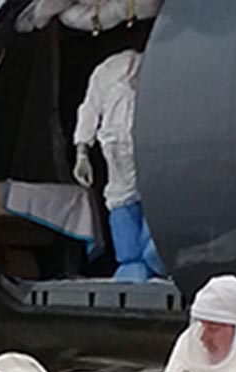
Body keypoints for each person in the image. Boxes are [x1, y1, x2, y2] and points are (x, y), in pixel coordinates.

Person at [72, 49, 165, 282]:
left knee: (153, 195)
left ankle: (156, 254)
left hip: (152, 147)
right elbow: (90, 108)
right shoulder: (108, 70)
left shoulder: (160, 66)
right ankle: (131, 261)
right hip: (117, 148)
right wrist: (82, 149)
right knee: (122, 199)